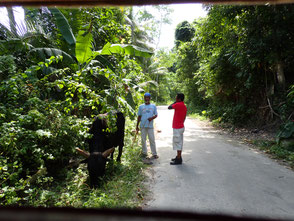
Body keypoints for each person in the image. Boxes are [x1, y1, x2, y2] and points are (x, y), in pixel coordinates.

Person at [136, 92, 159, 159]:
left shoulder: (153, 106)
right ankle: (144, 153)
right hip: (142, 126)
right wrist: (137, 126)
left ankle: (154, 153)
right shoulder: (141, 106)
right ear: (144, 98)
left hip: (150, 126)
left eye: (148, 97)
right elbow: (139, 116)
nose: (147, 99)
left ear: (150, 98)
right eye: (145, 97)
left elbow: (156, 115)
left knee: (152, 139)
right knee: (143, 140)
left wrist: (151, 118)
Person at [168, 93, 187, 165]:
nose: (175, 99)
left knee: (177, 143)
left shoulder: (178, 104)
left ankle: (178, 159)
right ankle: (178, 156)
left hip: (177, 127)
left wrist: (175, 102)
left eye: (176, 98)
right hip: (181, 126)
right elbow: (184, 117)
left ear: (179, 99)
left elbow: (169, 107)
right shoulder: (184, 106)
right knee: (179, 142)